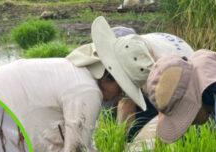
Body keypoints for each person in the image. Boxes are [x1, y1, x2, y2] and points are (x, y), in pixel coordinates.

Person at [0, 38, 154, 152]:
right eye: (122, 89)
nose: (119, 97)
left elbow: (85, 144)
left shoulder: (72, 72)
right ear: (110, 76)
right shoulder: (86, 90)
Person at [66, 16, 194, 141]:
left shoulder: (157, 75)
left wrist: (121, 146)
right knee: (109, 105)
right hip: (159, 49)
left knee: (171, 129)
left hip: (180, 74)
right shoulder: (120, 50)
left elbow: (130, 104)